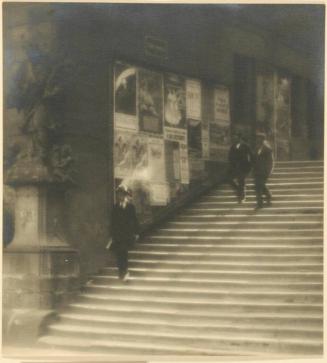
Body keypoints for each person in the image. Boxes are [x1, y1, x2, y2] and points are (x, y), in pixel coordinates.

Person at [109, 185, 139, 281]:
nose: (120, 197)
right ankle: (121, 272)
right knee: (119, 254)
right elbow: (112, 222)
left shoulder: (130, 207)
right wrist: (111, 234)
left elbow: (135, 220)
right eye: (118, 195)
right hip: (117, 235)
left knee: (124, 252)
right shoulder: (115, 207)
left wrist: (136, 232)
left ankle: (125, 271)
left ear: (125, 196)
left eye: (122, 195)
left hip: (126, 235)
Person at [228, 132, 253, 203]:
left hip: (244, 167)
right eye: (233, 138)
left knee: (241, 182)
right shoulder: (233, 146)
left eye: (235, 137)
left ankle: (242, 198)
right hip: (235, 167)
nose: (234, 139)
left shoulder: (245, 146)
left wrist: (250, 166)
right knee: (229, 180)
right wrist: (232, 163)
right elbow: (230, 156)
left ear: (239, 138)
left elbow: (251, 156)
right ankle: (239, 190)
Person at [253, 132, 274, 209]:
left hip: (264, 171)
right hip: (257, 171)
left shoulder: (267, 149)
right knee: (258, 186)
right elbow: (254, 159)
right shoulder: (256, 148)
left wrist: (268, 171)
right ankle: (268, 197)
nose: (257, 140)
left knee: (260, 186)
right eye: (257, 138)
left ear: (263, 139)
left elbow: (270, 161)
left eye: (259, 138)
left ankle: (260, 203)